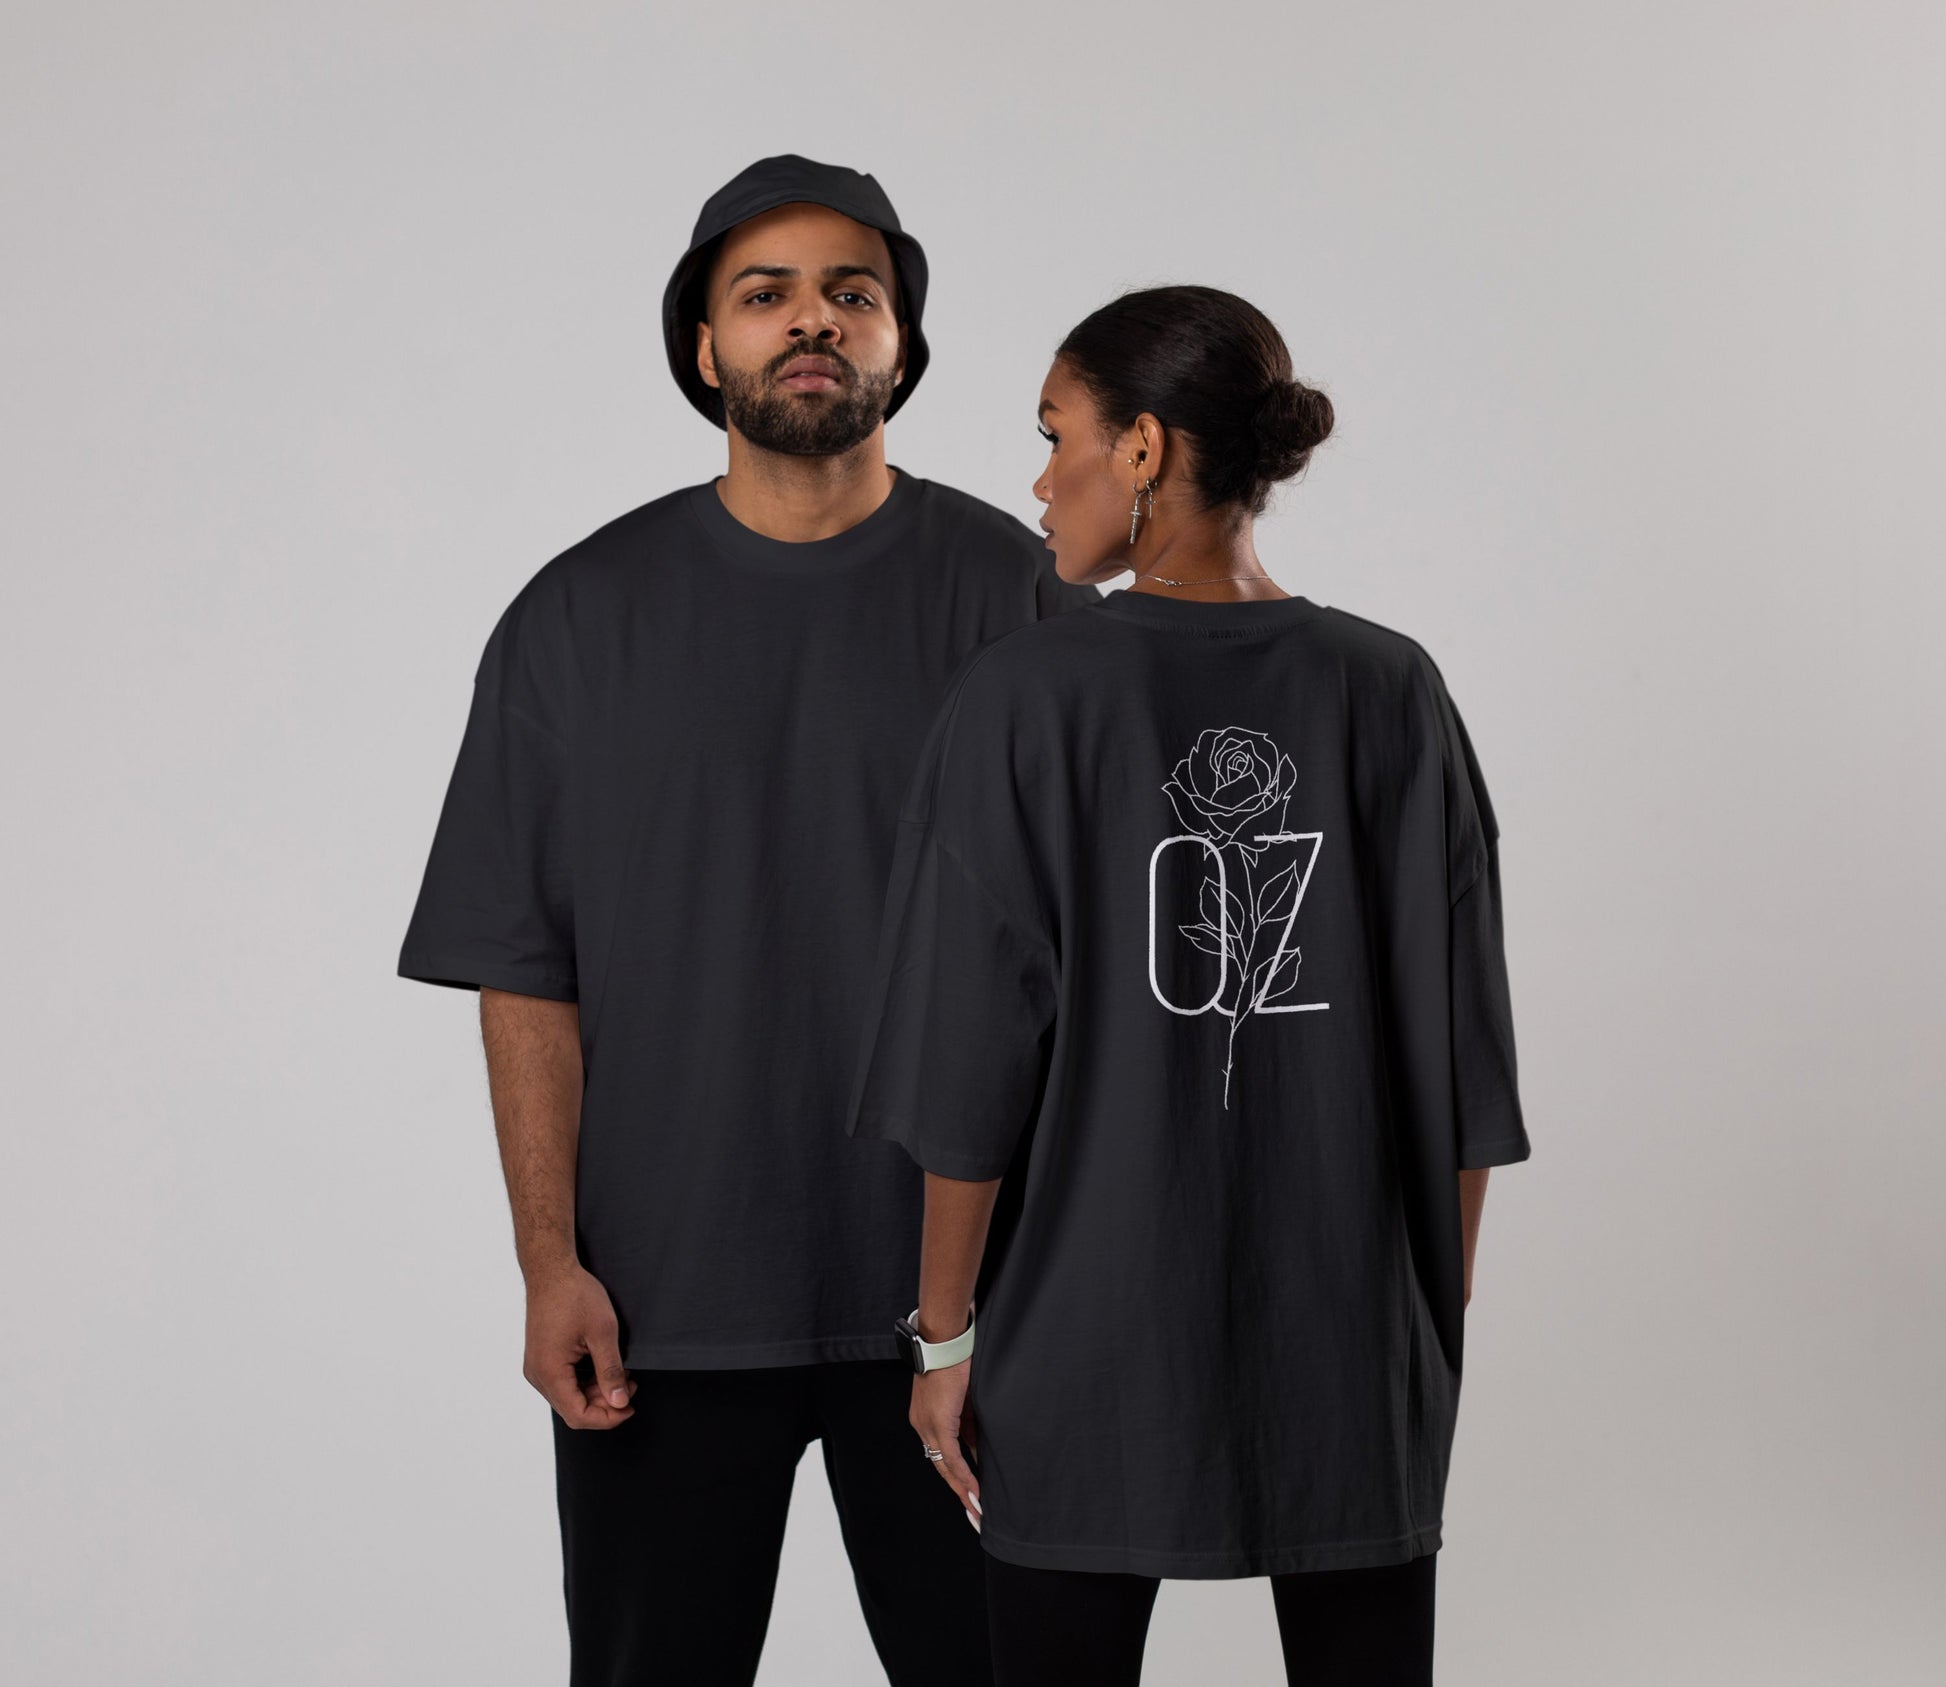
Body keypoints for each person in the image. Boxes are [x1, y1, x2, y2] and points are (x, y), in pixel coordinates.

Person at [397, 153, 1097, 1686]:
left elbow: (1101, 971)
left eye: (854, 293)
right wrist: (547, 1262)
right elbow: (527, 978)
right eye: (764, 294)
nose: (812, 321)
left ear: (901, 340)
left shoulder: (1026, 601)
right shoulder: (577, 618)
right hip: (664, 1304)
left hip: (973, 1306)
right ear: (704, 347)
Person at [846, 284, 1530, 1686]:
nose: (1040, 483)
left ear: (1145, 447)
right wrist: (1420, 1334)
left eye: (1056, 436)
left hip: (1080, 1349)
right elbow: (1459, 1068)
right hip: (1353, 1347)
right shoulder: (1392, 691)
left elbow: (968, 1073)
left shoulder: (1021, 700)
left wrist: (944, 1339)